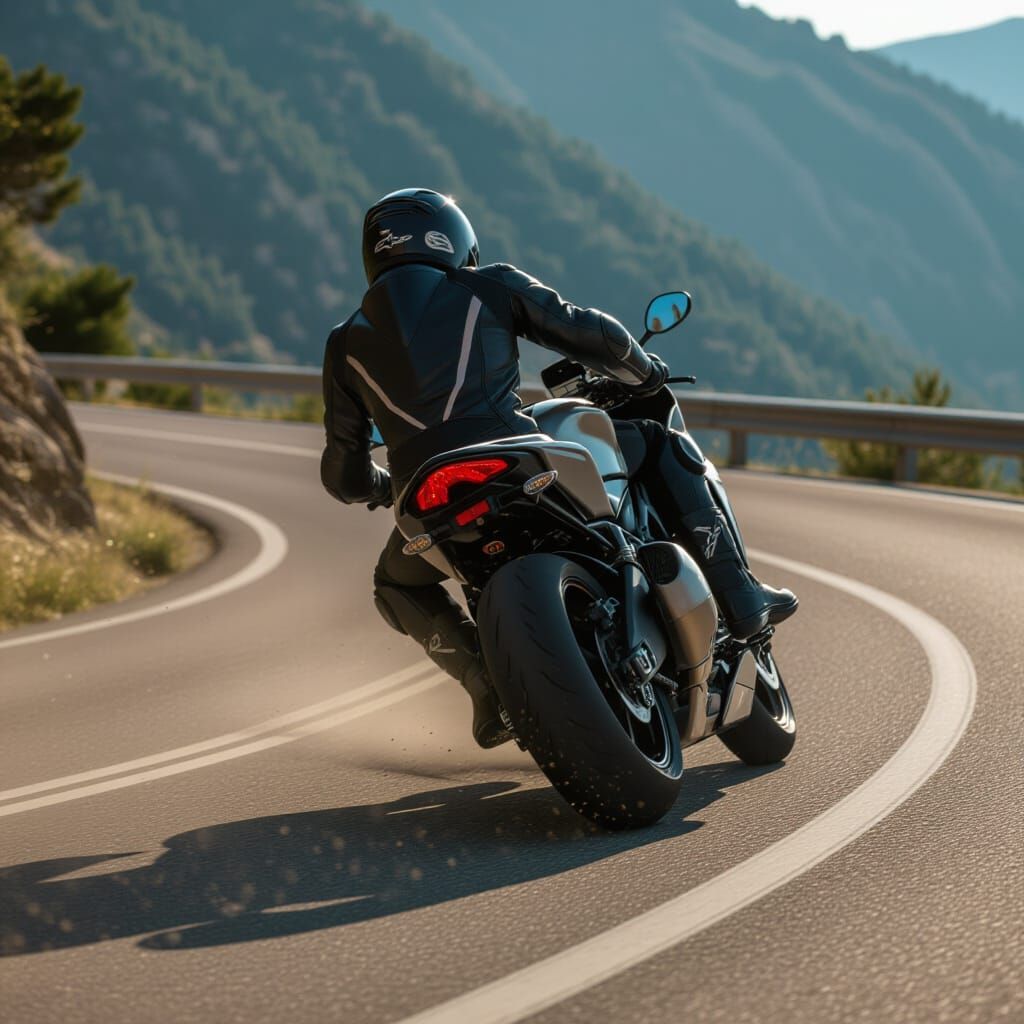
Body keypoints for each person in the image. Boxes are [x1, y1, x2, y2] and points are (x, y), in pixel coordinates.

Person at [320, 189, 797, 748]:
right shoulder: (486, 284)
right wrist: (643, 372)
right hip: (518, 458)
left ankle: (486, 688)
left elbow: (343, 476)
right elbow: (590, 332)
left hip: (428, 499)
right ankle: (741, 600)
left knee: (394, 581)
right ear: (454, 241)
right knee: (658, 444)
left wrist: (383, 485)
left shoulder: (344, 342)